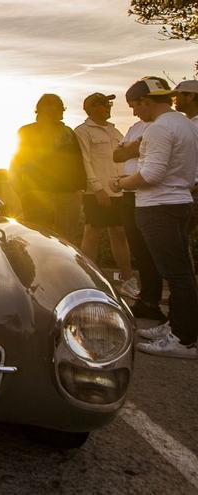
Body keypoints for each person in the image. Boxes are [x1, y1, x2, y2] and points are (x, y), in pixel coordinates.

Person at [109, 76, 198, 358]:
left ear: (146, 101)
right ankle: (177, 325)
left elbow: (151, 174)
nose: (135, 112)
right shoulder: (184, 123)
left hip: (159, 206)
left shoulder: (160, 128)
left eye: (135, 106)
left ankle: (183, 340)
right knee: (180, 270)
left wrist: (121, 183)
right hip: (177, 201)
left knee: (177, 274)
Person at [74, 93, 139, 298]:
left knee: (119, 233)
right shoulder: (82, 131)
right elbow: (85, 161)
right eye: (103, 104)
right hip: (98, 192)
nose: (107, 108)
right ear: (90, 108)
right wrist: (97, 188)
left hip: (119, 190)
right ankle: (87, 280)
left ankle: (127, 280)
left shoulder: (115, 131)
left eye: (108, 104)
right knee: (92, 233)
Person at [10, 94, 86, 242]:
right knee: (38, 240)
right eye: (59, 107)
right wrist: (24, 192)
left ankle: (64, 266)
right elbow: (17, 163)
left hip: (68, 195)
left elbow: (78, 160)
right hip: (37, 195)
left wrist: (80, 190)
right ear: (44, 109)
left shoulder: (69, 132)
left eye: (62, 107)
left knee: (66, 243)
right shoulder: (27, 131)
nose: (62, 111)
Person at [114, 117, 165, 321]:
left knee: (154, 251)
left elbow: (138, 155)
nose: (134, 110)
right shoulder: (135, 127)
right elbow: (117, 155)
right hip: (130, 192)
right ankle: (147, 301)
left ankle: (156, 304)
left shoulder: (164, 125)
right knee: (140, 250)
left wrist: (132, 148)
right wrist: (134, 147)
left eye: (136, 104)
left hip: (150, 193)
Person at [173, 80, 198, 241]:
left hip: (193, 191)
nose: (174, 100)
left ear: (190, 96)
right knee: (179, 241)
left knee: (175, 240)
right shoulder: (186, 124)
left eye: (178, 96)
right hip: (186, 190)